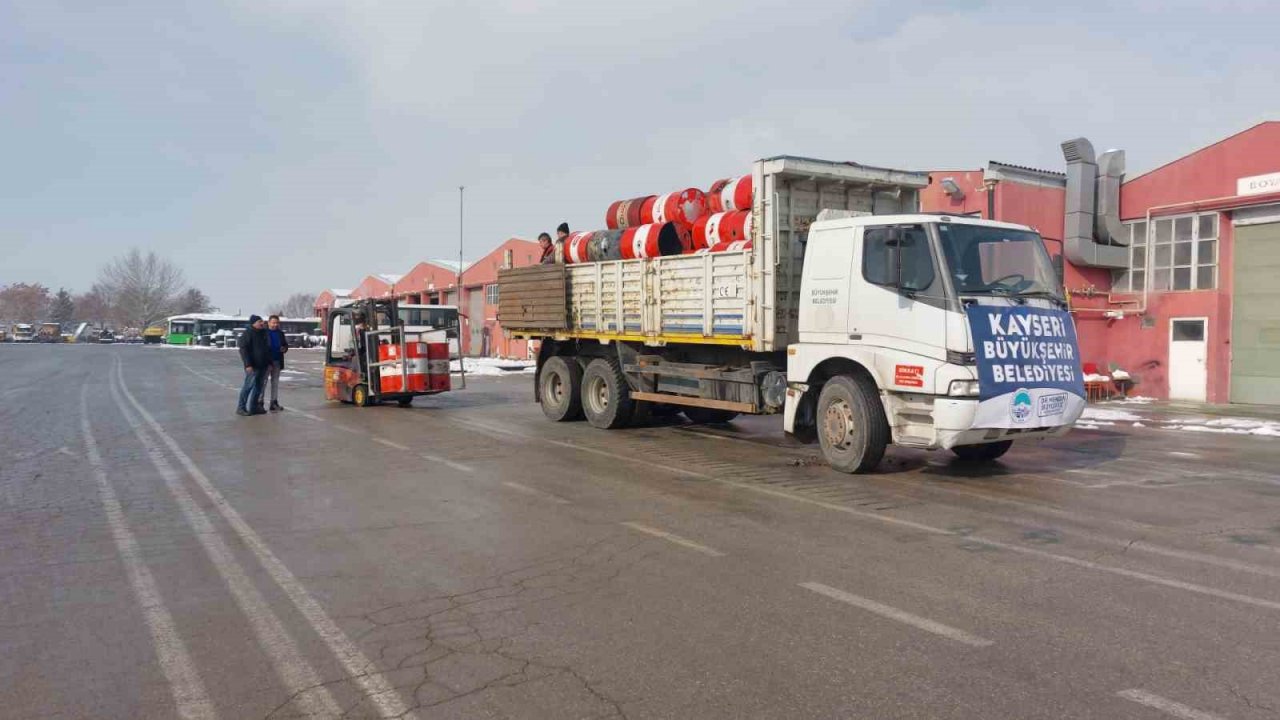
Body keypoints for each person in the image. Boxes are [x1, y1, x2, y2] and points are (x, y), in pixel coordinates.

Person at [236, 315, 271, 416]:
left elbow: (267, 350)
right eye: (259, 321)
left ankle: (254, 407)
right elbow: (243, 350)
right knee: (248, 386)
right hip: (253, 366)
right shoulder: (248, 333)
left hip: (263, 365)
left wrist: (269, 363)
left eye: (262, 321)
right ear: (253, 323)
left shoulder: (264, 333)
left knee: (258, 387)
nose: (262, 323)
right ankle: (241, 408)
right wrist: (248, 364)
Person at [264, 315, 289, 412]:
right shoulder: (264, 333)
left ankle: (273, 402)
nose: (275, 324)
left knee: (275, 383)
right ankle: (260, 403)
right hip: (266, 362)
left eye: (277, 323)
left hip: (277, 361)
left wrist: (284, 348)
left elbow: (285, 345)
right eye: (273, 322)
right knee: (263, 383)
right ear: (269, 322)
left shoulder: (280, 333)